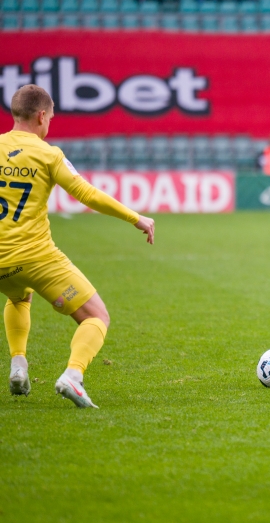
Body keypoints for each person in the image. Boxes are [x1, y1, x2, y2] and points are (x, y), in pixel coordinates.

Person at [2, 85, 155, 408]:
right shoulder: (48, 154)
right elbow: (87, 194)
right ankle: (73, 375)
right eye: (50, 118)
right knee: (96, 316)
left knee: (18, 296)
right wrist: (135, 217)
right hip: (35, 257)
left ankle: (18, 364)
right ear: (41, 116)